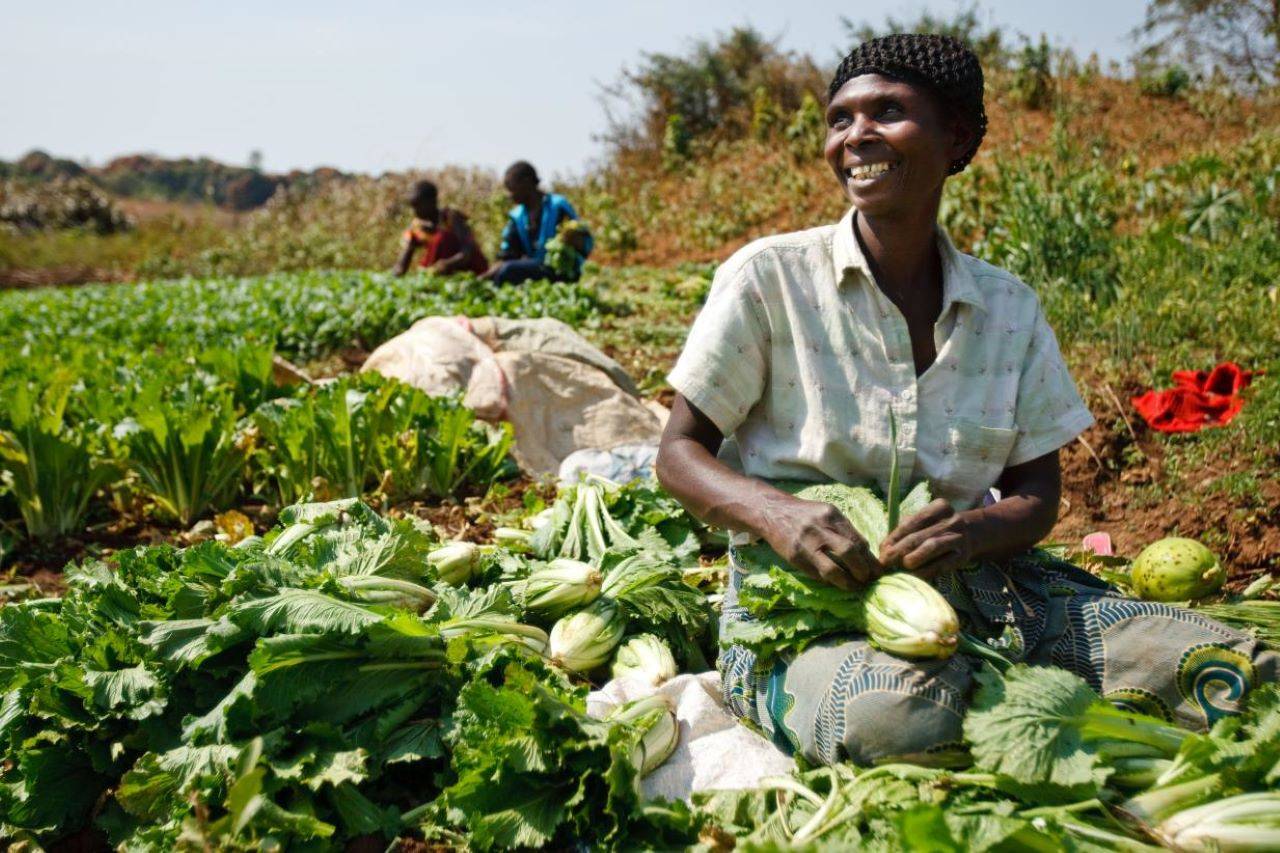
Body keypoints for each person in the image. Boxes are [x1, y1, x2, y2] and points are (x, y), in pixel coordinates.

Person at [654, 33, 1277, 767]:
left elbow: (1037, 493)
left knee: (1238, 669)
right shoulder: (770, 280)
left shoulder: (1008, 308)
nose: (858, 136)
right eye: (841, 118)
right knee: (903, 717)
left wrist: (974, 535)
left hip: (988, 596)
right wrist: (775, 513)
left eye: (888, 111)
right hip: (799, 617)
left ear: (958, 135)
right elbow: (677, 453)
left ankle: (1015, 687)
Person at [483, 161, 593, 284]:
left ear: (526, 182)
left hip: (562, 272)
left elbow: (585, 242)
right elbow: (507, 254)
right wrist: (484, 277)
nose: (509, 195)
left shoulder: (557, 206)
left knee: (508, 270)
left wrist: (572, 239)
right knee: (502, 271)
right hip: (536, 271)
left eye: (512, 189)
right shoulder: (517, 216)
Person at [393, 180, 489, 277]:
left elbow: (467, 252)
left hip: (470, 272)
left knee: (442, 237)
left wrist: (448, 264)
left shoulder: (451, 217)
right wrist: (396, 274)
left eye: (418, 206)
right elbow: (403, 261)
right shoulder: (416, 228)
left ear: (432, 201)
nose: (415, 212)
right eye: (413, 207)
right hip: (441, 275)